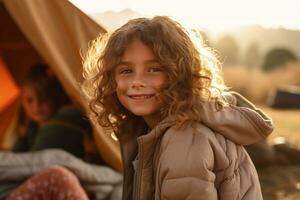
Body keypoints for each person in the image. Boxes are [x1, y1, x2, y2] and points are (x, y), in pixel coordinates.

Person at [82, 16, 273, 199]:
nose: (137, 81)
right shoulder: (148, 128)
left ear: (180, 74)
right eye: (126, 71)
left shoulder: (184, 140)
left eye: (154, 69)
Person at [2, 64, 97, 200]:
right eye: (29, 101)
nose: (36, 106)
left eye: (44, 98)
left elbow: (34, 163)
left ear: (55, 97)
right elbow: (16, 159)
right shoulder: (31, 130)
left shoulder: (63, 121)